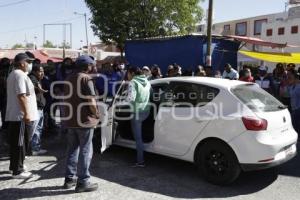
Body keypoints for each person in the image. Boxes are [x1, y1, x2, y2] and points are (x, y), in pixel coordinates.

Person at [62, 55, 100, 193]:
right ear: (87, 66)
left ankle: (69, 179)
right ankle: (83, 182)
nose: (93, 67)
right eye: (91, 65)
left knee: (72, 150)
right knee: (85, 150)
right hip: (84, 121)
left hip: (71, 120)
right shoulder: (86, 78)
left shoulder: (68, 78)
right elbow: (91, 101)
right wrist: (96, 114)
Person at [6, 53, 38, 179]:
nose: (30, 65)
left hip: (19, 115)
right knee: (20, 143)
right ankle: (17, 171)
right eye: (29, 62)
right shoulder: (19, 75)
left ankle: (16, 165)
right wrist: (26, 113)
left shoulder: (16, 74)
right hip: (21, 116)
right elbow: (21, 95)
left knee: (18, 143)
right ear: (22, 63)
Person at [125, 66, 151, 167]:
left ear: (132, 73)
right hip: (146, 111)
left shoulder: (133, 82)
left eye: (128, 73)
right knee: (140, 136)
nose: (127, 75)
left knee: (138, 138)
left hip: (137, 113)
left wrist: (122, 100)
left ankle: (140, 161)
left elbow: (130, 99)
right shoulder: (147, 81)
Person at [29, 65, 48, 155]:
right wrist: (39, 89)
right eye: (40, 71)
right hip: (35, 108)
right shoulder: (32, 78)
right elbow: (33, 87)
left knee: (38, 129)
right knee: (34, 130)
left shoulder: (37, 79)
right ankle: (33, 149)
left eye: (43, 71)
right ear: (34, 71)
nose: (42, 73)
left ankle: (35, 147)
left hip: (39, 108)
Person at [287, 69, 300, 134]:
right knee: (294, 126)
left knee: (297, 126)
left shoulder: (299, 86)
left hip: (298, 110)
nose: (288, 77)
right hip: (293, 109)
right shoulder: (291, 86)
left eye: (290, 75)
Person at [0, 58, 11, 130]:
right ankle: (5, 125)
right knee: (4, 109)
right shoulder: (7, 72)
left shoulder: (8, 72)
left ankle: (5, 124)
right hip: (4, 94)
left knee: (5, 110)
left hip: (5, 94)